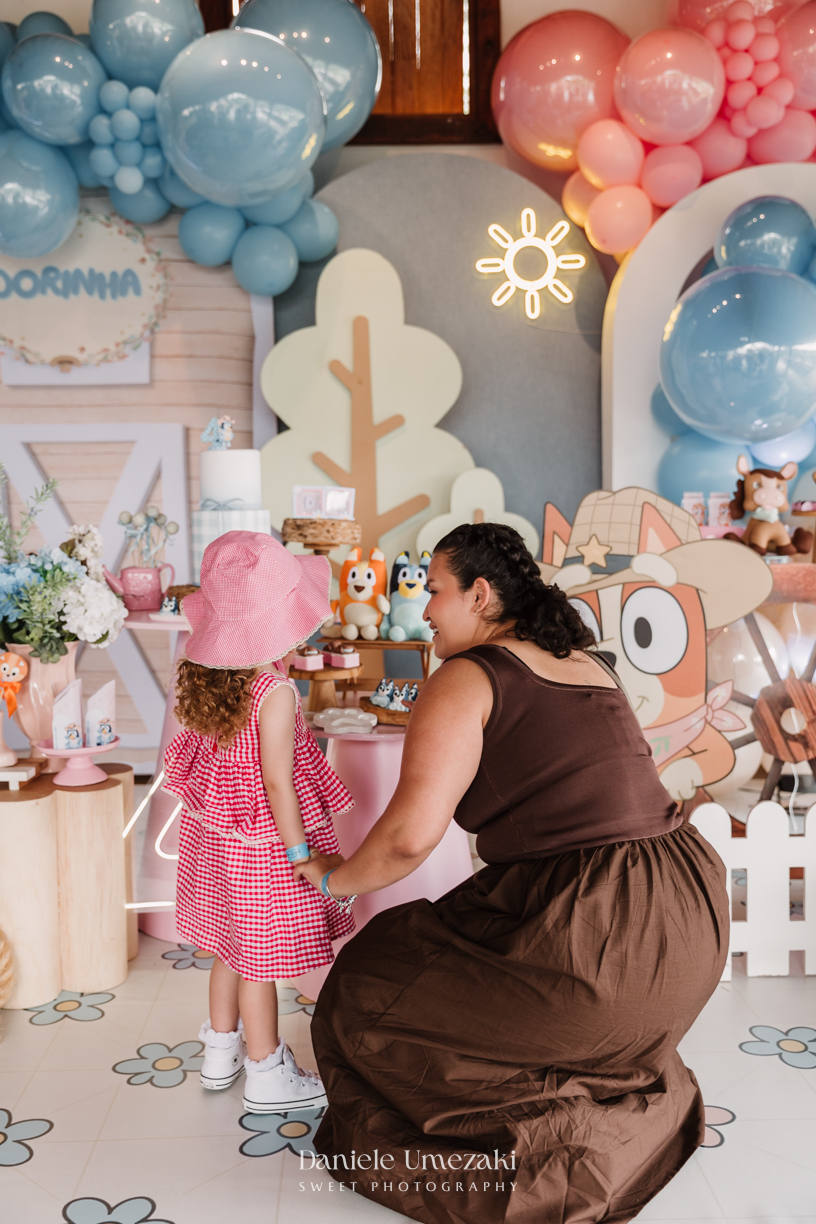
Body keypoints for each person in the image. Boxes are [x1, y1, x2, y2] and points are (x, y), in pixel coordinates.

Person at [295, 522, 728, 1224]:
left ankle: (538, 1126)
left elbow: (407, 839)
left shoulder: (466, 676)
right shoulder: (588, 663)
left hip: (598, 939)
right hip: (685, 926)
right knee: (451, 947)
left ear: (481, 593)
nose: (428, 609)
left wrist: (330, 878)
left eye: (435, 591)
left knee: (368, 979)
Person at [162, 531, 354, 1115]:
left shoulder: (206, 679)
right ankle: (267, 1072)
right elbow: (277, 782)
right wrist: (302, 855)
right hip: (259, 847)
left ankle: (220, 1054)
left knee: (227, 946)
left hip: (213, 838)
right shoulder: (275, 691)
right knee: (260, 963)